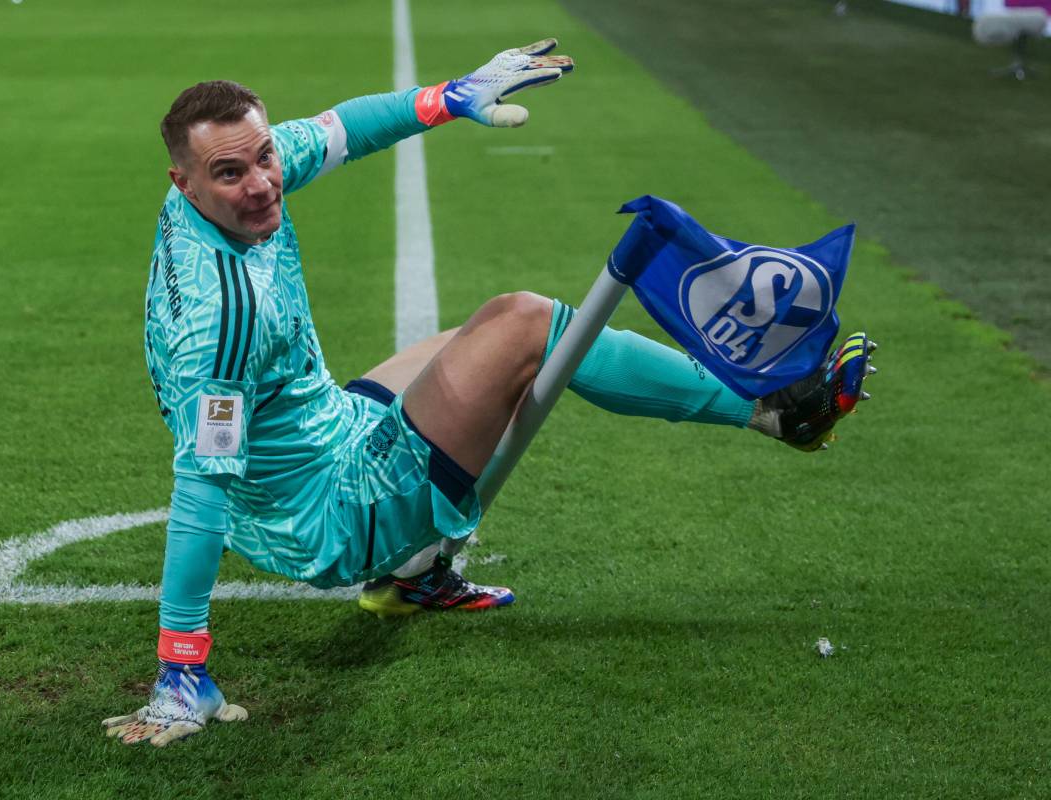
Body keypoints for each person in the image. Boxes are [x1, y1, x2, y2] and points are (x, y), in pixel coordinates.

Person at [104, 40, 875, 747]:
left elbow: (341, 129)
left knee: (465, 341)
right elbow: (201, 488)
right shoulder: (222, 316)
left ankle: (415, 580)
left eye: (265, 157)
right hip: (334, 513)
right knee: (525, 324)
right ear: (185, 181)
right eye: (231, 174)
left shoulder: (227, 189)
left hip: (325, 436)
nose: (261, 184)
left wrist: (449, 96)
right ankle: (772, 413)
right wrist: (181, 665)